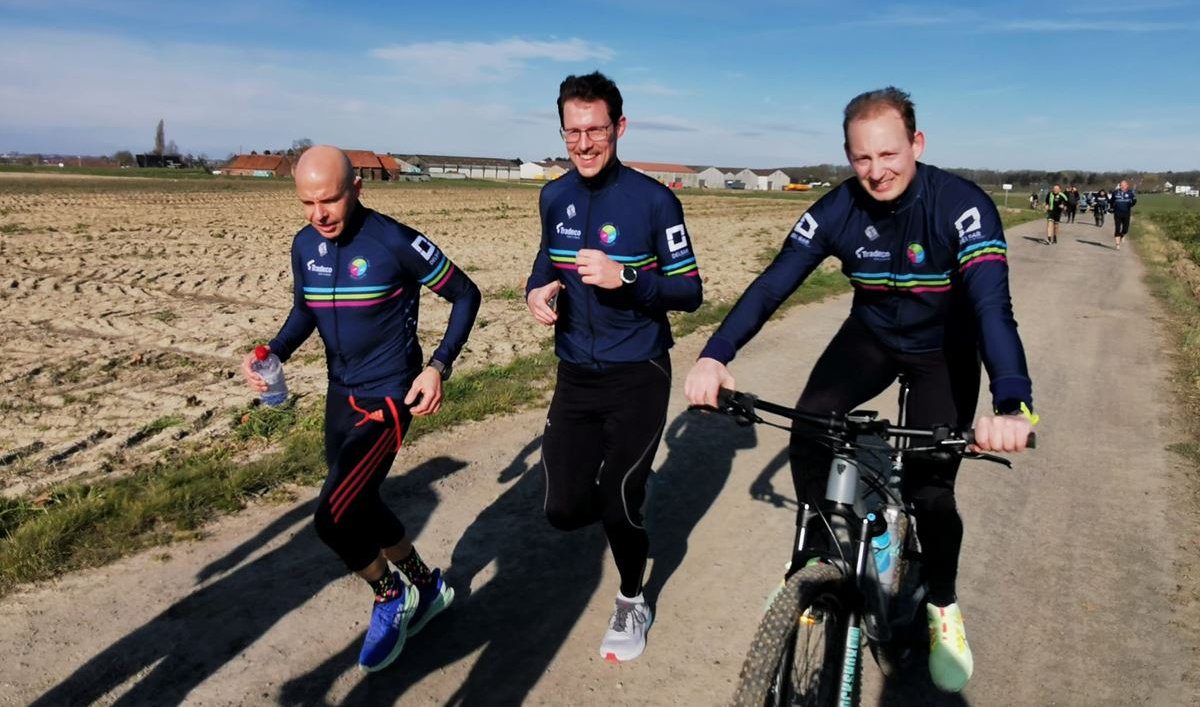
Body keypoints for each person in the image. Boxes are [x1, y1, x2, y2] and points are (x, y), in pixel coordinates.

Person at [684, 87, 1035, 694]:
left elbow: (992, 309)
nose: (877, 171)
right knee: (811, 422)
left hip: (943, 351)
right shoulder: (837, 209)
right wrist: (715, 355)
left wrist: (1011, 403)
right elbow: (772, 285)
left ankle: (942, 604)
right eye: (862, 157)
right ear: (848, 156)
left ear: (916, 144)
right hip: (870, 336)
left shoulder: (962, 207)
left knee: (930, 490)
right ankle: (814, 562)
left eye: (889, 154)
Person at [240, 146, 481, 673]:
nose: (318, 214)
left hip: (389, 398)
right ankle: (427, 585)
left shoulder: (394, 241)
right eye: (307, 203)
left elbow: (466, 294)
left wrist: (438, 367)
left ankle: (391, 596)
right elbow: (305, 310)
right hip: (340, 394)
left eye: (329, 200)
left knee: (332, 518)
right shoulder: (305, 244)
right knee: (360, 500)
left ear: (357, 189)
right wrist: (274, 352)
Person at [525, 71, 703, 662]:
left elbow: (690, 291)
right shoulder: (554, 196)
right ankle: (623, 504)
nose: (583, 144)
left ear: (618, 127)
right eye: (572, 132)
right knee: (562, 510)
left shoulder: (654, 200)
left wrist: (626, 277)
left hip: (638, 373)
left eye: (595, 130)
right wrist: (536, 290)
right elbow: (546, 261)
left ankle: (632, 598)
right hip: (575, 373)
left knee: (620, 497)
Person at [1111, 179, 1137, 250]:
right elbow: (1112, 201)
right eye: (1121, 185)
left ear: (1127, 186)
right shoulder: (1115, 192)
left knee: (1125, 229)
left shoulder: (1130, 193)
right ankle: (1117, 244)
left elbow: (1134, 201)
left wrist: (1132, 203)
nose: (1122, 186)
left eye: (1123, 185)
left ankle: (1122, 235)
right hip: (1117, 213)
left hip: (1126, 212)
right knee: (1117, 228)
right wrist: (1112, 207)